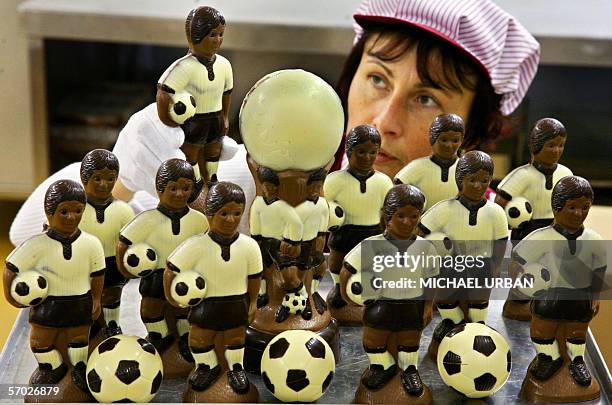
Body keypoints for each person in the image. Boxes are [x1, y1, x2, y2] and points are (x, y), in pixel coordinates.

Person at [10, 0, 539, 245]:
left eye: (426, 99)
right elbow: (29, 228)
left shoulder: (490, 230)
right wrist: (133, 176)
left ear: (473, 130)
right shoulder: (273, 180)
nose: (383, 121)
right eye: (377, 79)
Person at [4, 180, 105, 392]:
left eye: (78, 211)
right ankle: (52, 367)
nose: (72, 217)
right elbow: (11, 267)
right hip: (47, 305)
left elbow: (98, 274)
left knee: (78, 341)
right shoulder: (37, 244)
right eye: (64, 211)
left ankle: (78, 369)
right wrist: (10, 296)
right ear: (49, 213)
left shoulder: (91, 243)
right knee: (40, 342)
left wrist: (96, 299)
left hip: (79, 301)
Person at [339, 184, 438, 396]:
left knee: (410, 341)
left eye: (414, 216)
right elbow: (348, 268)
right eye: (400, 216)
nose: (407, 222)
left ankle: (409, 369)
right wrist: (346, 296)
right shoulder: (372, 245)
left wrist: (428, 306)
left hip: (412, 304)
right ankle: (382, 365)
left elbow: (431, 280)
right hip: (381, 303)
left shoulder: (426, 248)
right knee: (373, 340)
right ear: (387, 216)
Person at [164, 182, 262, 394]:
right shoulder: (195, 246)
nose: (230, 219)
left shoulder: (249, 246)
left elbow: (255, 278)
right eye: (223, 213)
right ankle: (206, 366)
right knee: (199, 338)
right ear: (209, 214)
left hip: (237, 301)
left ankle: (236, 369)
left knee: (236, 338)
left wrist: (253, 302)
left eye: (237, 213)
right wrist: (173, 298)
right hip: (206, 303)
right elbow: (171, 269)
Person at [513, 176, 606, 388]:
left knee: (577, 333)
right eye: (571, 207)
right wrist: (520, 287)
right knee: (541, 331)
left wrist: (596, 296)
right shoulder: (541, 238)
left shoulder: (593, 240)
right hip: (550, 294)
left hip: (580, 295)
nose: (578, 213)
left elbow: (599, 269)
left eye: (584, 207)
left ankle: (577, 361)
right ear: (556, 208)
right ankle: (548, 357)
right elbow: (517, 260)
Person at [418, 151, 508, 358]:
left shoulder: (496, 213)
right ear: (460, 180)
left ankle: (477, 328)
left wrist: (495, 267)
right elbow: (421, 230)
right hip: (451, 265)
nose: (478, 185)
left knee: (478, 302)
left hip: (481, 265)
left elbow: (501, 243)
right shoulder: (444, 209)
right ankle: (452, 322)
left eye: (484, 180)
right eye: (472, 180)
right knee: (446, 299)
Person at [116, 159, 209, 357]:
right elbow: (123, 241)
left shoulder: (198, 220)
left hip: (185, 277)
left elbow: (206, 248)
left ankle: (185, 338)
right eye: (173, 188)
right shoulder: (147, 219)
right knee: (150, 309)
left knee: (184, 310)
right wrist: (124, 269)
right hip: (156, 274)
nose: (179, 194)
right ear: (159, 189)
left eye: (186, 188)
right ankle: (159, 335)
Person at [157, 6, 233, 189]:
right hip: (194, 121)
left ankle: (212, 179)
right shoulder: (185, 67)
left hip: (215, 117)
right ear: (195, 36)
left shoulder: (224, 64)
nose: (218, 40)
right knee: (191, 154)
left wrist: (224, 117)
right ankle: (195, 182)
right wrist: (168, 121)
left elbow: (227, 93)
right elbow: (163, 91)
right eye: (213, 35)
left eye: (221, 34)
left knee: (214, 151)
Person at [324, 125, 393, 317]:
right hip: (344, 231)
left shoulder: (384, 182)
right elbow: (325, 205)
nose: (367, 157)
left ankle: (370, 293)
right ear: (349, 151)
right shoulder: (334, 181)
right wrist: (331, 214)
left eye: (372, 152)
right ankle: (339, 288)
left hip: (373, 231)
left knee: (370, 266)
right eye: (361, 152)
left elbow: (388, 210)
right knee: (337, 263)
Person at [78, 149, 135, 339]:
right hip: (84, 265)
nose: (104, 184)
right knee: (84, 296)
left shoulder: (124, 210)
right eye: (97, 178)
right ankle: (89, 326)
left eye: (110, 179)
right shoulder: (77, 210)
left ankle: (112, 324)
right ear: (84, 178)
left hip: (112, 263)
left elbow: (130, 241)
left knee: (112, 296)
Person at [394, 113, 464, 211]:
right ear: (432, 138)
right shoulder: (418, 167)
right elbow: (398, 186)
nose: (449, 145)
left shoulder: (465, 168)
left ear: (461, 141)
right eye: (444, 140)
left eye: (455, 140)